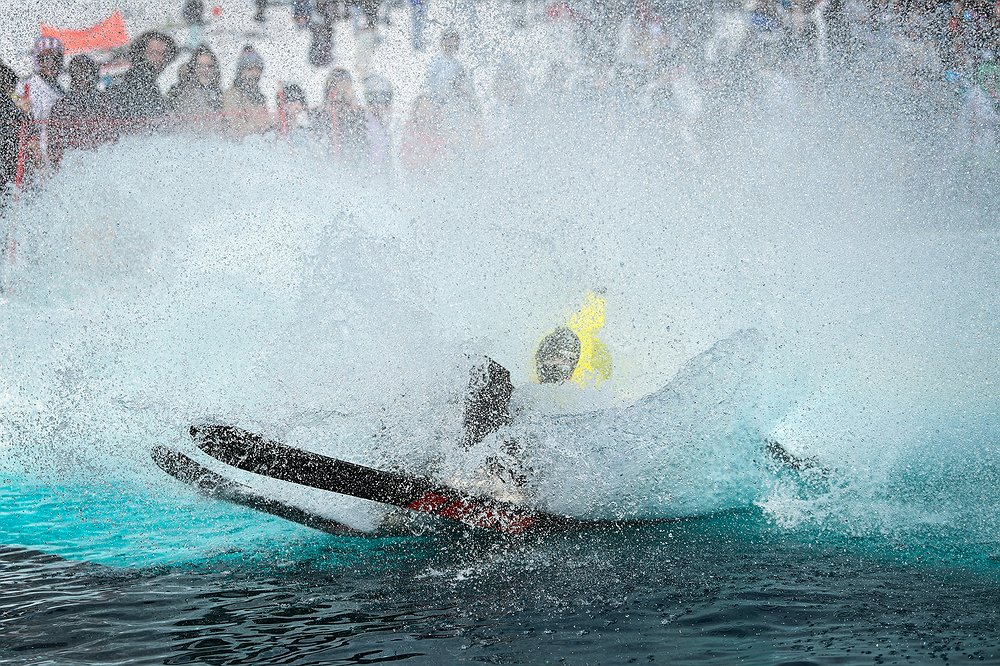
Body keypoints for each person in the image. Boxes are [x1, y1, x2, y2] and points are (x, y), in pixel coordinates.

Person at [105, 31, 178, 133]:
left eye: (163, 54)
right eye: (153, 53)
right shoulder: (137, 81)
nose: (158, 58)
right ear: (140, 53)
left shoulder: (156, 81)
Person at [47, 55, 113, 168]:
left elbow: (112, 135)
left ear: (93, 74)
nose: (81, 76)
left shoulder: (104, 102)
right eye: (76, 72)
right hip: (71, 159)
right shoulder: (62, 105)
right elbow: (54, 141)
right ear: (71, 76)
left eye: (85, 72)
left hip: (100, 158)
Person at [16, 37, 66, 173]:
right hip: (32, 155)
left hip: (53, 151)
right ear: (37, 60)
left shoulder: (60, 90)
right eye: (45, 58)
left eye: (56, 58)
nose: (51, 63)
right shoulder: (26, 87)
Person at [168, 45, 224, 132]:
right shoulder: (178, 91)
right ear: (193, 68)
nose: (204, 70)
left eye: (209, 66)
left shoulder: (217, 93)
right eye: (199, 66)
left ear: (214, 69)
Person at [318, 68, 368, 164]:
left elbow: (362, 145)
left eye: (346, 86)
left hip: (351, 163)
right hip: (327, 162)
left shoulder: (358, 113)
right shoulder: (320, 113)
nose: (343, 90)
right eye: (336, 86)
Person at [222, 45, 273, 138]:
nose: (254, 73)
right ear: (241, 71)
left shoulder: (259, 97)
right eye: (249, 69)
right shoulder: (231, 95)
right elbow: (235, 128)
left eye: (257, 69)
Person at [363, 74, 394, 174]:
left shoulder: (393, 122)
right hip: (367, 173)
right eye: (373, 100)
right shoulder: (363, 121)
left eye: (385, 101)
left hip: (385, 173)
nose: (379, 105)